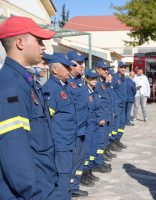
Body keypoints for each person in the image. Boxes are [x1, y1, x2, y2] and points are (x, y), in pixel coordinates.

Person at [0, 16, 57, 199]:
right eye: (39, 41)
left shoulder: (22, 82)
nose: (43, 46)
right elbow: (14, 150)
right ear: (20, 42)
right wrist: (35, 193)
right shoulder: (10, 87)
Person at [42, 54, 81, 199]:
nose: (69, 70)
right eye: (65, 67)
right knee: (62, 180)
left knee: (67, 178)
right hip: (60, 144)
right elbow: (46, 120)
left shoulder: (62, 86)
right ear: (55, 70)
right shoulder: (50, 88)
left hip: (68, 141)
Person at [65, 51, 90, 197]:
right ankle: (68, 187)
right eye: (78, 63)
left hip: (83, 129)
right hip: (73, 130)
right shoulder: (67, 82)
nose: (81, 65)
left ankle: (74, 186)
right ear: (70, 64)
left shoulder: (80, 81)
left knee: (80, 160)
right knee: (72, 162)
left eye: (82, 63)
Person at [81, 69, 103, 186]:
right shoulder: (84, 92)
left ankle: (89, 172)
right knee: (87, 150)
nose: (94, 80)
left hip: (95, 124)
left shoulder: (95, 91)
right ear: (86, 79)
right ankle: (84, 175)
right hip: (88, 125)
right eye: (92, 78)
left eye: (96, 78)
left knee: (93, 148)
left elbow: (97, 108)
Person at [92, 61, 114, 173]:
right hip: (101, 118)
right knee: (99, 142)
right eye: (104, 69)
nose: (106, 71)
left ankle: (100, 161)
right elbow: (96, 103)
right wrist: (99, 117)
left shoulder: (103, 83)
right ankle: (97, 163)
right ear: (98, 69)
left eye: (107, 69)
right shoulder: (97, 84)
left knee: (104, 140)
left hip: (106, 116)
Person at [111, 61, 128, 149]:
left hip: (122, 105)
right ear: (118, 68)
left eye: (124, 67)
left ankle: (118, 140)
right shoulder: (114, 78)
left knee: (121, 124)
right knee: (115, 124)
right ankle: (112, 142)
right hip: (116, 105)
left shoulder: (124, 78)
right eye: (121, 67)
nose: (123, 69)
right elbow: (111, 91)